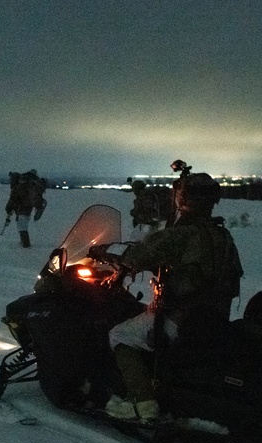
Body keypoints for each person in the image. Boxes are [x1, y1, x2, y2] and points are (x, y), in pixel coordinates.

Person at [88, 169, 243, 422]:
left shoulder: (181, 234)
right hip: (212, 320)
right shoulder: (223, 236)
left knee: (119, 335)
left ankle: (143, 403)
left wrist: (103, 251)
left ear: (184, 199)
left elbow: (136, 255)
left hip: (181, 320)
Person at [4, 169, 46, 248]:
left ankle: (26, 245)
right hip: (27, 208)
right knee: (22, 225)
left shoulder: (17, 186)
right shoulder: (25, 184)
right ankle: (23, 242)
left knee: (22, 226)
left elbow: (13, 199)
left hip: (22, 208)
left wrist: (8, 208)